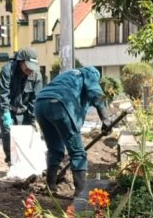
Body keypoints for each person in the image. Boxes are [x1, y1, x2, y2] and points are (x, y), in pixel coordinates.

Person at [32, 62, 114, 201]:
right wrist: (106, 119)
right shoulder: (89, 74)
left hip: (40, 104)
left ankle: (51, 186)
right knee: (77, 152)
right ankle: (80, 192)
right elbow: (97, 94)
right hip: (60, 103)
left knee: (54, 149)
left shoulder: (67, 75)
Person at [0, 48, 43, 167]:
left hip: (25, 109)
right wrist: (6, 114)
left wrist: (34, 118)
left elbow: (35, 99)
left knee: (27, 135)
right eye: (27, 66)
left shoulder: (36, 75)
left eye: (32, 67)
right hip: (8, 107)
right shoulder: (7, 70)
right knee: (8, 133)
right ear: (20, 62)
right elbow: (4, 94)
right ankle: (11, 161)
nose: (29, 70)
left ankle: (25, 164)